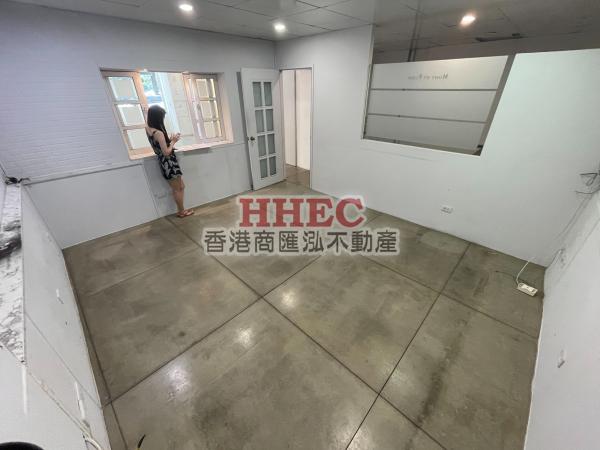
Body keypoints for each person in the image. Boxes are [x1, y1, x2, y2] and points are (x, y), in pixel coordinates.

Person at [145, 105, 194, 218]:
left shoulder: (148, 128)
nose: (162, 119)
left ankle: (181, 210)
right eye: (161, 117)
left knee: (181, 186)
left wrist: (168, 141)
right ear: (157, 118)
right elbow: (166, 152)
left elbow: (159, 146)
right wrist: (173, 141)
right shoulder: (158, 133)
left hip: (163, 162)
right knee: (178, 188)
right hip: (169, 163)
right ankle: (181, 212)